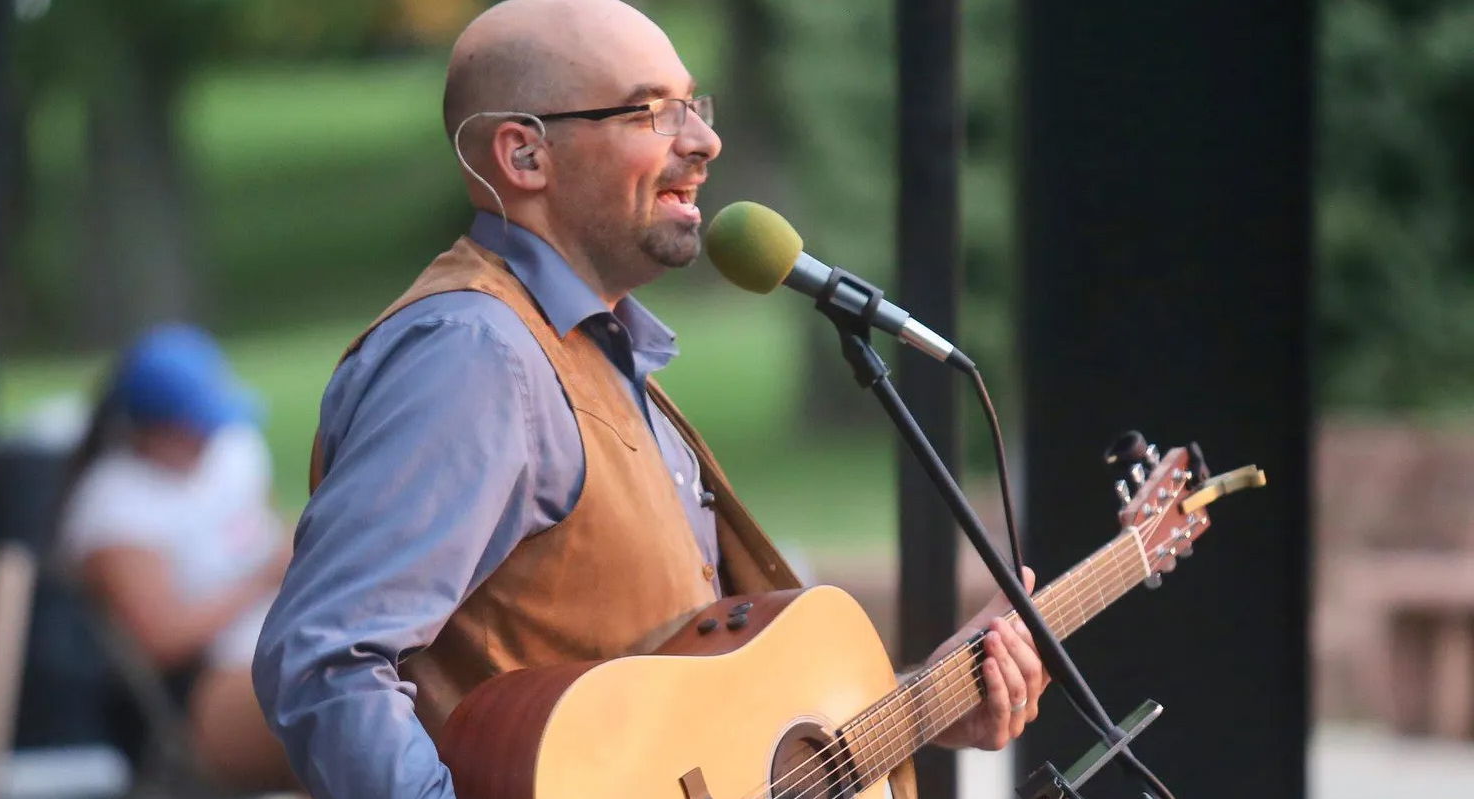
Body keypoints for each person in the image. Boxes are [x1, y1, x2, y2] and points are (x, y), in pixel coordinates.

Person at [252, 1, 1050, 797]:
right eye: (651, 113)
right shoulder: (478, 355)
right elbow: (329, 657)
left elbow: (699, 740)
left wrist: (919, 702)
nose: (704, 142)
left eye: (692, 106)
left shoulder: (590, 352)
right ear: (524, 154)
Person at [59, 323, 297, 791]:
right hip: (203, 689)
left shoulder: (233, 449)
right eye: (194, 428)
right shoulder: (117, 506)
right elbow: (160, 641)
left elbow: (265, 527)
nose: (207, 439)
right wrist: (265, 577)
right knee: (337, 712)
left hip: (278, 636)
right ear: (153, 430)